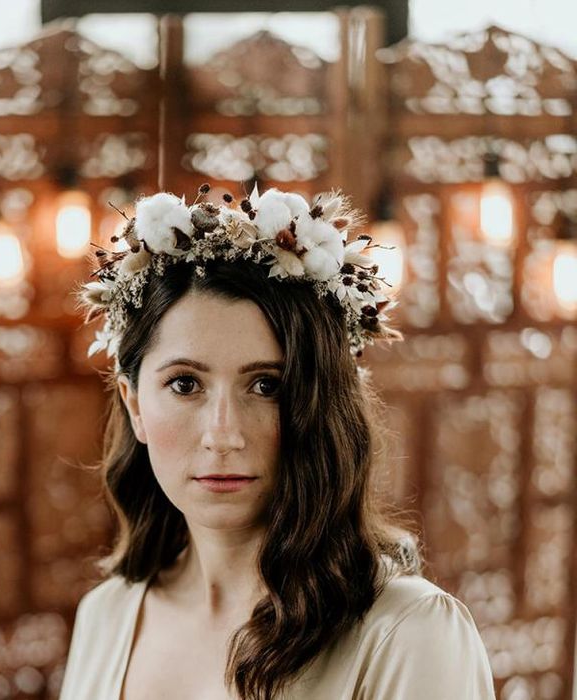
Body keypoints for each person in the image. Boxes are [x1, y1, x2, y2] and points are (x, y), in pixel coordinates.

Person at [59, 185, 496, 700]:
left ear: (320, 403)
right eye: (185, 384)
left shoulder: (407, 633)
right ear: (135, 406)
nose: (223, 434)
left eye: (268, 386)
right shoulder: (107, 616)